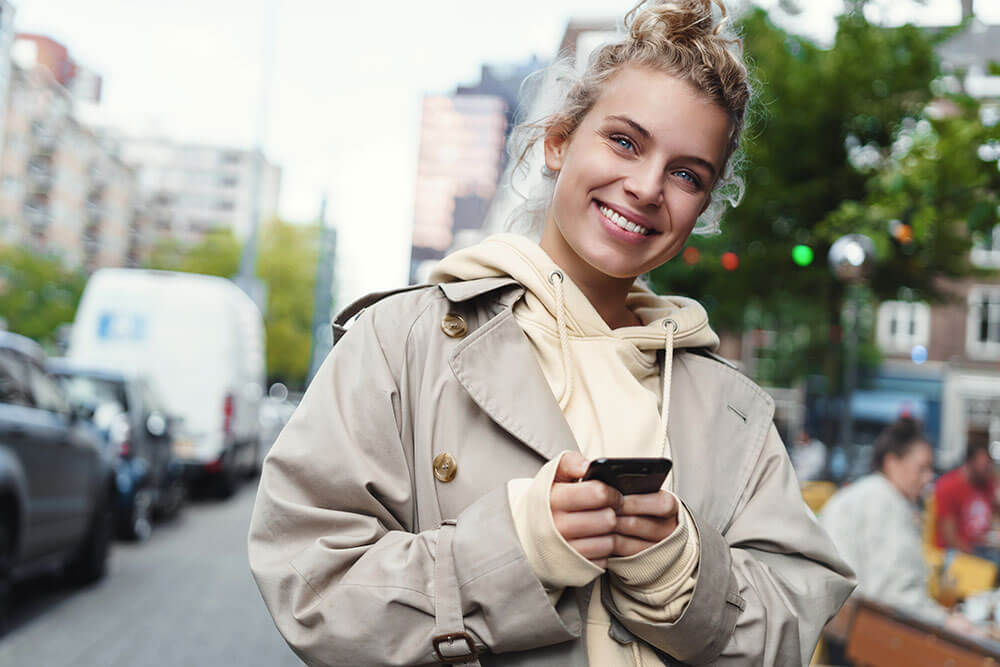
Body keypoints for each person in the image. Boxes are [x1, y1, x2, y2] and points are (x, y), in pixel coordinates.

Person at [248, 1, 855, 665]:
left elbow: (796, 617)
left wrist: (685, 571)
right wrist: (515, 549)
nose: (647, 186)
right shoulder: (403, 340)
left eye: (687, 174)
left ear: (702, 207)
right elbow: (308, 581)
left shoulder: (732, 409)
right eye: (625, 141)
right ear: (559, 139)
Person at [819, 418, 977, 635]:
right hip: (862, 635)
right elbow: (894, 593)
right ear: (892, 463)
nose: (928, 477)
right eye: (921, 468)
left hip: (843, 626)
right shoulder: (884, 501)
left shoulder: (867, 494)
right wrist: (944, 620)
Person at [935, 437, 1000, 560]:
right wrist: (975, 557)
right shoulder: (949, 486)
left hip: (984, 549)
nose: (988, 471)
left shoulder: (988, 484)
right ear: (969, 463)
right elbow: (950, 537)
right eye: (984, 467)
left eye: (988, 466)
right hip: (956, 553)